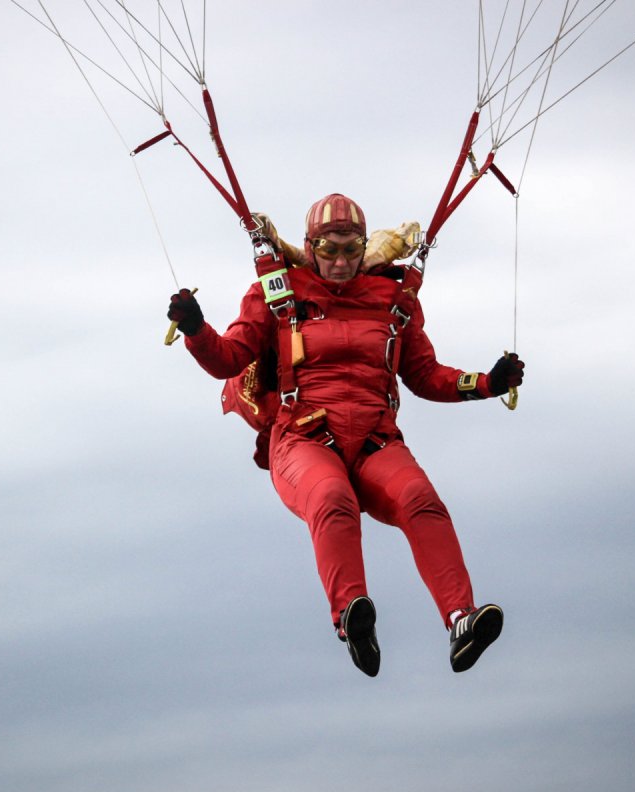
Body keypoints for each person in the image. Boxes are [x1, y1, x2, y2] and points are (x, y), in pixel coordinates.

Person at [167, 193, 524, 676]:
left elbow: (423, 374)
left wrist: (487, 383)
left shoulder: (391, 300)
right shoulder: (278, 293)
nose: (339, 262)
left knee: (421, 499)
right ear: (310, 246)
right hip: (303, 438)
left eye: (351, 251)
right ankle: (352, 615)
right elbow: (228, 359)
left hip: (377, 439)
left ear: (364, 248)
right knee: (332, 498)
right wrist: (195, 328)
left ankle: (461, 618)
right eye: (329, 251)